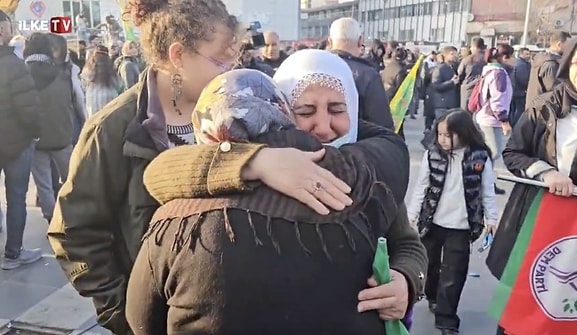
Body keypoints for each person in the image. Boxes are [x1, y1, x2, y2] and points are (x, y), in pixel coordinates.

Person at [47, 1, 353, 333]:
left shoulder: (244, 102)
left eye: (233, 60)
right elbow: (73, 233)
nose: (230, 71)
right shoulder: (113, 129)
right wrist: (121, 312)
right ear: (178, 56)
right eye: (221, 60)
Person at [127, 66, 426, 334]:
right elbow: (160, 172)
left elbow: (408, 243)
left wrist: (406, 280)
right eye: (306, 112)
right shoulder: (362, 184)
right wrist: (254, 162)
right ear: (283, 110)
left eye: (337, 108)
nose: (322, 127)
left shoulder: (364, 176)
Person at [486, 29, 577, 335]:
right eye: (576, 62)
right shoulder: (546, 105)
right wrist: (546, 173)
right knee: (524, 304)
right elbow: (513, 152)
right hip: (537, 220)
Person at [408, 109, 498, 335]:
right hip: (432, 222)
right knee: (429, 267)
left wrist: (492, 218)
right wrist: (411, 215)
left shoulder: (480, 157)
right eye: (440, 135)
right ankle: (433, 296)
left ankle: (447, 319)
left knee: (454, 273)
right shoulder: (433, 155)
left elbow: (487, 189)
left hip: (462, 227)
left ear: (464, 133)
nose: (442, 140)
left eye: (448, 135)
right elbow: (422, 186)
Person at [0, 9, 43, 270]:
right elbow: (28, 108)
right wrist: (35, 132)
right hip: (16, 142)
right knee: (16, 198)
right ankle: (13, 254)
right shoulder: (14, 65)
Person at [24, 33, 76, 224]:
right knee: (70, 179)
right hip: (62, 137)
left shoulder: (21, 74)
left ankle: (51, 220)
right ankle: (72, 217)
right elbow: (75, 102)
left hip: (35, 139)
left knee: (44, 184)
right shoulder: (62, 74)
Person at [328, 18, 393, 129]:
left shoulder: (313, 70)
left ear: (330, 41)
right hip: (357, 143)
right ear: (360, 41)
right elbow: (382, 126)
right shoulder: (368, 75)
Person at [475, 44, 514, 195]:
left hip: (485, 116)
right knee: (493, 152)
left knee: (488, 151)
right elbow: (498, 99)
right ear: (504, 57)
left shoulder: (489, 70)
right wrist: (504, 120)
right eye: (512, 56)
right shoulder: (499, 74)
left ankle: (486, 182)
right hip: (491, 119)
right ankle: (484, 183)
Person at [525, 31, 571, 109]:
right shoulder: (551, 64)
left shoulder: (541, 58)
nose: (570, 48)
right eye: (568, 45)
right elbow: (554, 92)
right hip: (543, 110)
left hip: (535, 106)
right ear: (559, 45)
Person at [81, 45, 121, 115]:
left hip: (92, 97)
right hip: (109, 96)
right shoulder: (110, 69)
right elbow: (118, 85)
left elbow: (83, 85)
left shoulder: (88, 69)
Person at [457, 37, 486, 110]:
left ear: (474, 47)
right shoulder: (487, 59)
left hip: (468, 90)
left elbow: (460, 74)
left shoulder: (467, 60)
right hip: (482, 89)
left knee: (466, 113)